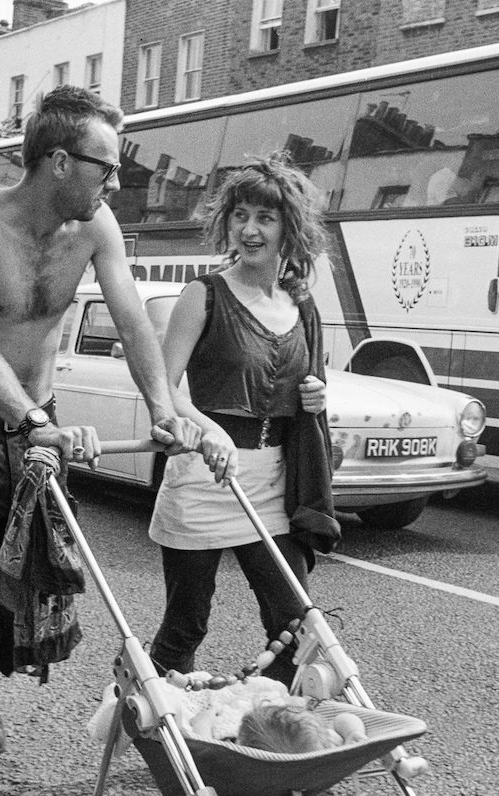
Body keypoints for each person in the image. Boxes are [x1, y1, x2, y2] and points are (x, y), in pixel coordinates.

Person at [0, 85, 201, 796]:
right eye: (108, 166)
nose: (119, 182)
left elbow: (133, 324)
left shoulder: (97, 230)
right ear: (60, 161)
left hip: (38, 427)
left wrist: (164, 408)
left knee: (25, 586)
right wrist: (32, 419)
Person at [148, 152, 340, 690]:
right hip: (205, 476)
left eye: (265, 218)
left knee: (296, 624)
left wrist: (319, 397)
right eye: (240, 216)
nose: (250, 230)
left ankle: (269, 722)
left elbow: (308, 389)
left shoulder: (302, 305)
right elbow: (162, 388)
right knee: (187, 624)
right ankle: (164, 728)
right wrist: (206, 429)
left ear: (290, 228)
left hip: (274, 480)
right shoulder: (203, 295)